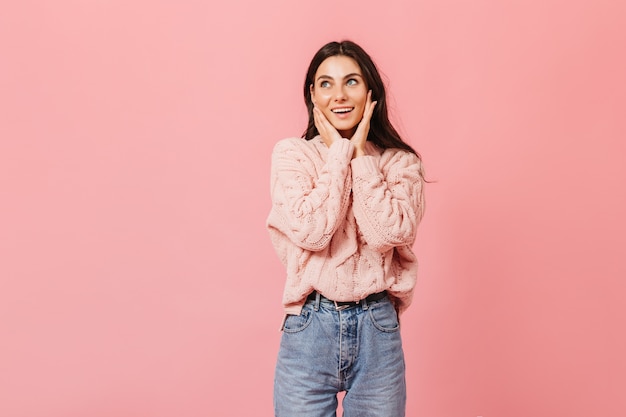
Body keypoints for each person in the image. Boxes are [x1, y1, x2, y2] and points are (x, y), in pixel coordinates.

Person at [267, 40, 426, 417]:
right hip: (309, 325)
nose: (339, 95)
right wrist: (340, 152)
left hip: (377, 328)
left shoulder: (400, 162)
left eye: (351, 81)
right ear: (312, 95)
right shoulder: (292, 154)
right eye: (326, 84)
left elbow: (388, 234)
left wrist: (360, 156)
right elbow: (312, 232)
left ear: (371, 91)